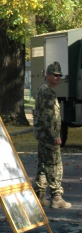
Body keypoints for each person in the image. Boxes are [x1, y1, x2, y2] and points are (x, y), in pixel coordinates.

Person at [32, 60, 71, 209]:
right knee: (54, 165)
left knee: (43, 164)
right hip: (48, 136)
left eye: (60, 75)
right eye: (55, 75)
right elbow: (48, 116)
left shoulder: (45, 90)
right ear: (47, 75)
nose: (58, 77)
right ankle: (56, 197)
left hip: (43, 135)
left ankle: (40, 195)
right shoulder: (47, 92)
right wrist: (55, 135)